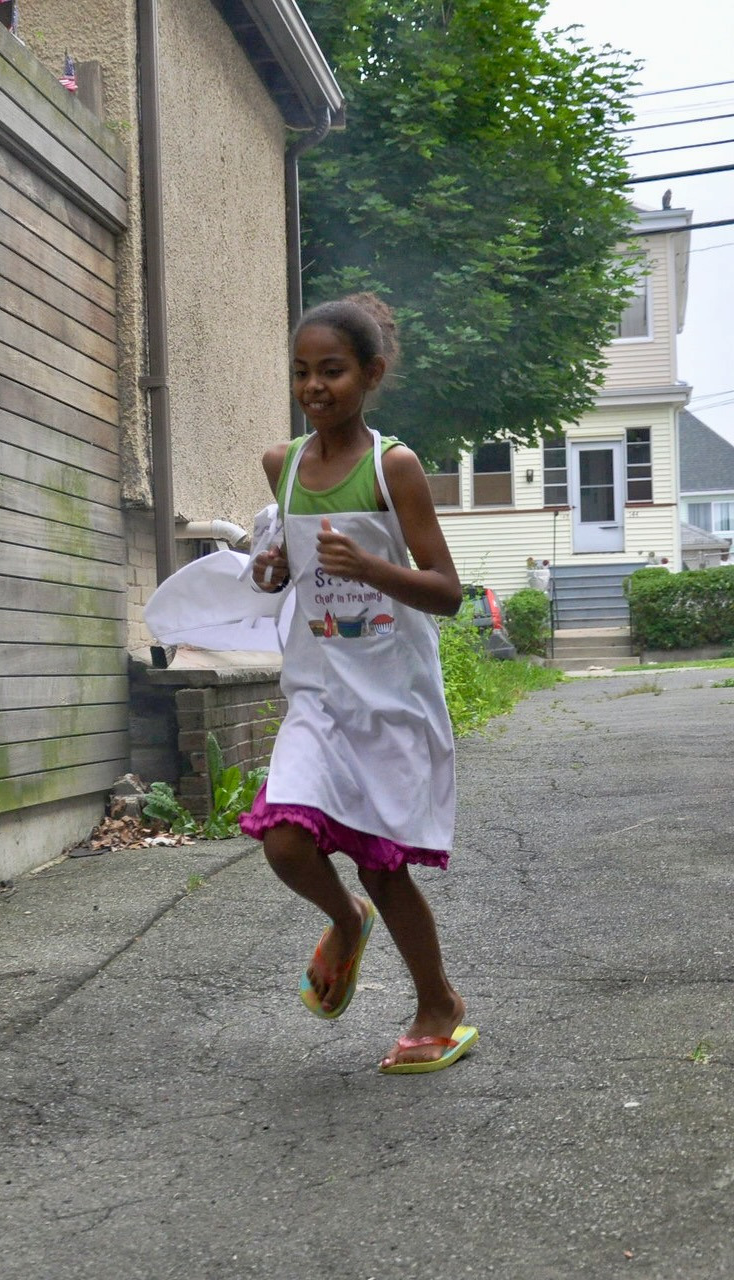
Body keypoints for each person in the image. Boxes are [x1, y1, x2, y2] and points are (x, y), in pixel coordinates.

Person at [246, 296, 476, 1074]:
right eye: (301, 373)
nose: (314, 387)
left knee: (383, 862)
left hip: (392, 696)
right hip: (318, 693)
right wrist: (272, 572)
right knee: (284, 842)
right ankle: (345, 922)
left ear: (371, 375)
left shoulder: (393, 466)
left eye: (333, 372)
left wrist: (371, 568)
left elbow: (446, 590)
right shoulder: (281, 467)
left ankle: (438, 1002)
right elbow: (286, 578)